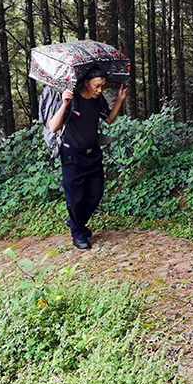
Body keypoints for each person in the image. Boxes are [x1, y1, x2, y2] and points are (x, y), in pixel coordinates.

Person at [48, 66, 127, 250]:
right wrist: (65, 104)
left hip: (93, 154)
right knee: (75, 198)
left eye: (103, 86)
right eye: (97, 86)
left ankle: (77, 222)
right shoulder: (72, 99)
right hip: (72, 157)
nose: (100, 90)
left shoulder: (97, 100)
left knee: (95, 193)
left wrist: (120, 100)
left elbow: (108, 119)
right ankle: (78, 234)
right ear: (86, 83)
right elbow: (53, 127)